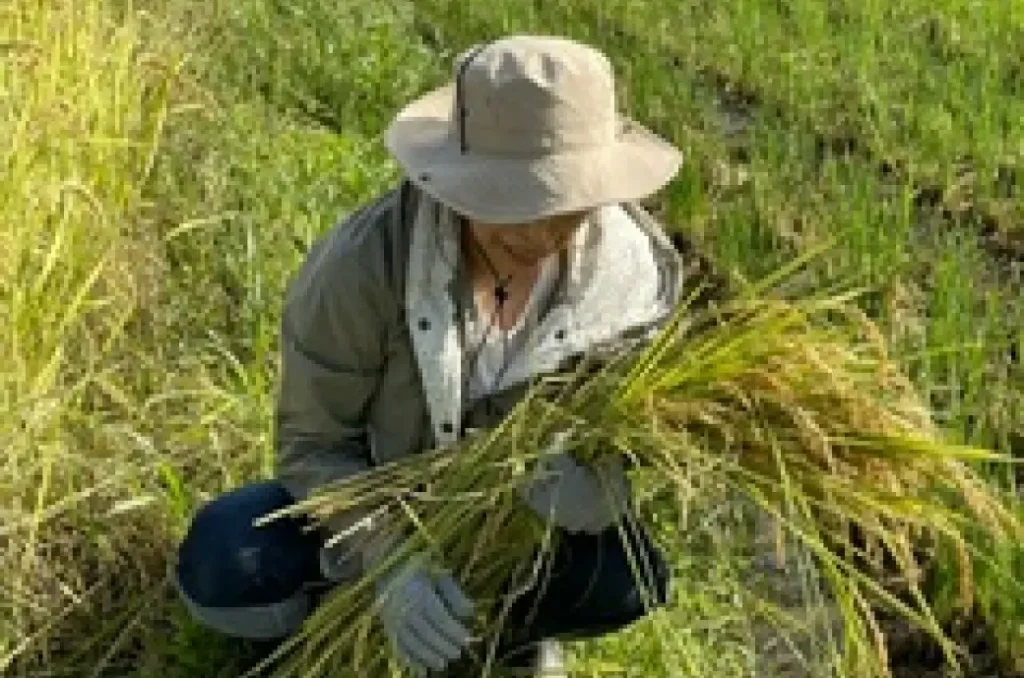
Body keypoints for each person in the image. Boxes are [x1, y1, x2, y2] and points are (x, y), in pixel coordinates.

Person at [173, 34, 723, 676]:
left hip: (515, 526)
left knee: (627, 579)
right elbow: (312, 444)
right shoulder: (365, 267)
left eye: (564, 206)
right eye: (511, 203)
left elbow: (636, 443)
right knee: (224, 559)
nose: (540, 236)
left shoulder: (632, 286)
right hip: (379, 500)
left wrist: (601, 492)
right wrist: (389, 562)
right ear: (462, 185)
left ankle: (513, 637)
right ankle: (337, 621)